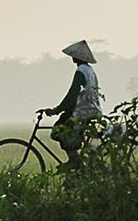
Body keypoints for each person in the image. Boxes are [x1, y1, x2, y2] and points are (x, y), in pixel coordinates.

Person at [41, 40, 101, 169]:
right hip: (92, 108)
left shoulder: (81, 71)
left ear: (77, 57)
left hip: (84, 111)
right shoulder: (90, 71)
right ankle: (78, 164)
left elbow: (72, 94)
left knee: (60, 129)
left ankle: (74, 159)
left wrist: (57, 110)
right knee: (66, 122)